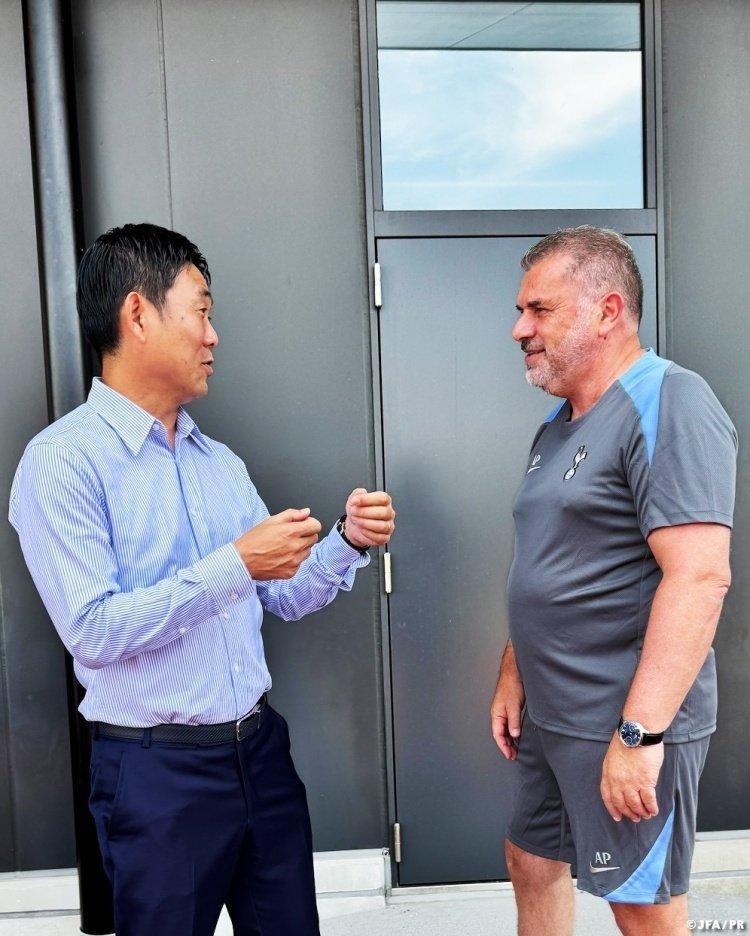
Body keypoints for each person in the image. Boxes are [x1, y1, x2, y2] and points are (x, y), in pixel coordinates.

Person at [9, 222, 395, 936]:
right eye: (202, 311)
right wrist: (236, 563)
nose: (214, 336)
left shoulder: (219, 462)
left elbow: (283, 596)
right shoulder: (62, 461)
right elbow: (92, 631)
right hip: (157, 777)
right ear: (138, 314)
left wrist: (346, 541)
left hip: (261, 757)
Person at [490, 227, 736, 936]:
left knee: (640, 907)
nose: (519, 329)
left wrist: (639, 736)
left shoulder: (671, 402)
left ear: (607, 311)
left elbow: (699, 577)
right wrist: (514, 670)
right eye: (521, 311)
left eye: (539, 310)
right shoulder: (557, 427)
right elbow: (547, 559)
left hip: (618, 719)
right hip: (552, 713)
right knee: (530, 859)